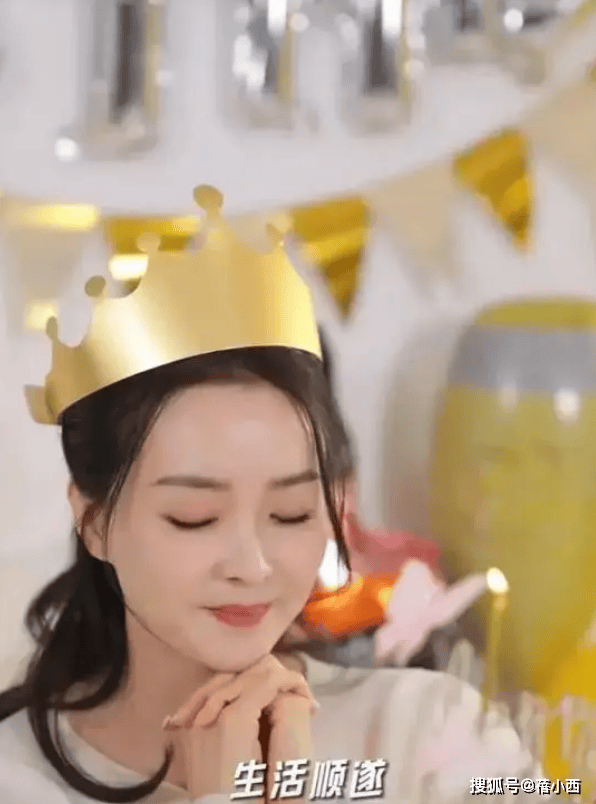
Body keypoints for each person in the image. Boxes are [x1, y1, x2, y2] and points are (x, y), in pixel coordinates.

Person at [0, 187, 546, 803]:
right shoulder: (17, 778)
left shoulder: (433, 732)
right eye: (195, 518)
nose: (252, 565)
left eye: (290, 513)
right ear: (95, 521)